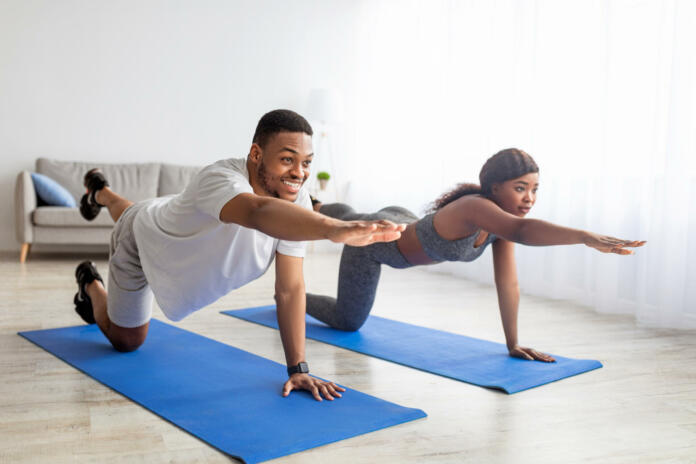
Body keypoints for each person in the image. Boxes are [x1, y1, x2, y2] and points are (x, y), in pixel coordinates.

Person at [72, 109, 405, 401]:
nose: (299, 173)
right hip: (137, 239)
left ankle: (100, 192)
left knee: (138, 212)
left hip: (159, 222)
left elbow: (289, 289)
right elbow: (257, 211)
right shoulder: (220, 177)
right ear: (256, 154)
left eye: (306, 163)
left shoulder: (298, 204)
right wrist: (334, 228)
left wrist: (298, 367)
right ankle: (90, 282)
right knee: (127, 340)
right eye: (287, 159)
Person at [307, 148, 645, 362]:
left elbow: (508, 283)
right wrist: (585, 236)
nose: (529, 198)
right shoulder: (475, 207)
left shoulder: (501, 225)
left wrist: (513, 343)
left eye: (534, 189)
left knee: (351, 214)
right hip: (373, 246)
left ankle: (318, 205)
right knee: (348, 319)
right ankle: (293, 296)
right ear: (495, 187)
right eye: (520, 188)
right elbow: (525, 233)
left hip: (403, 220)